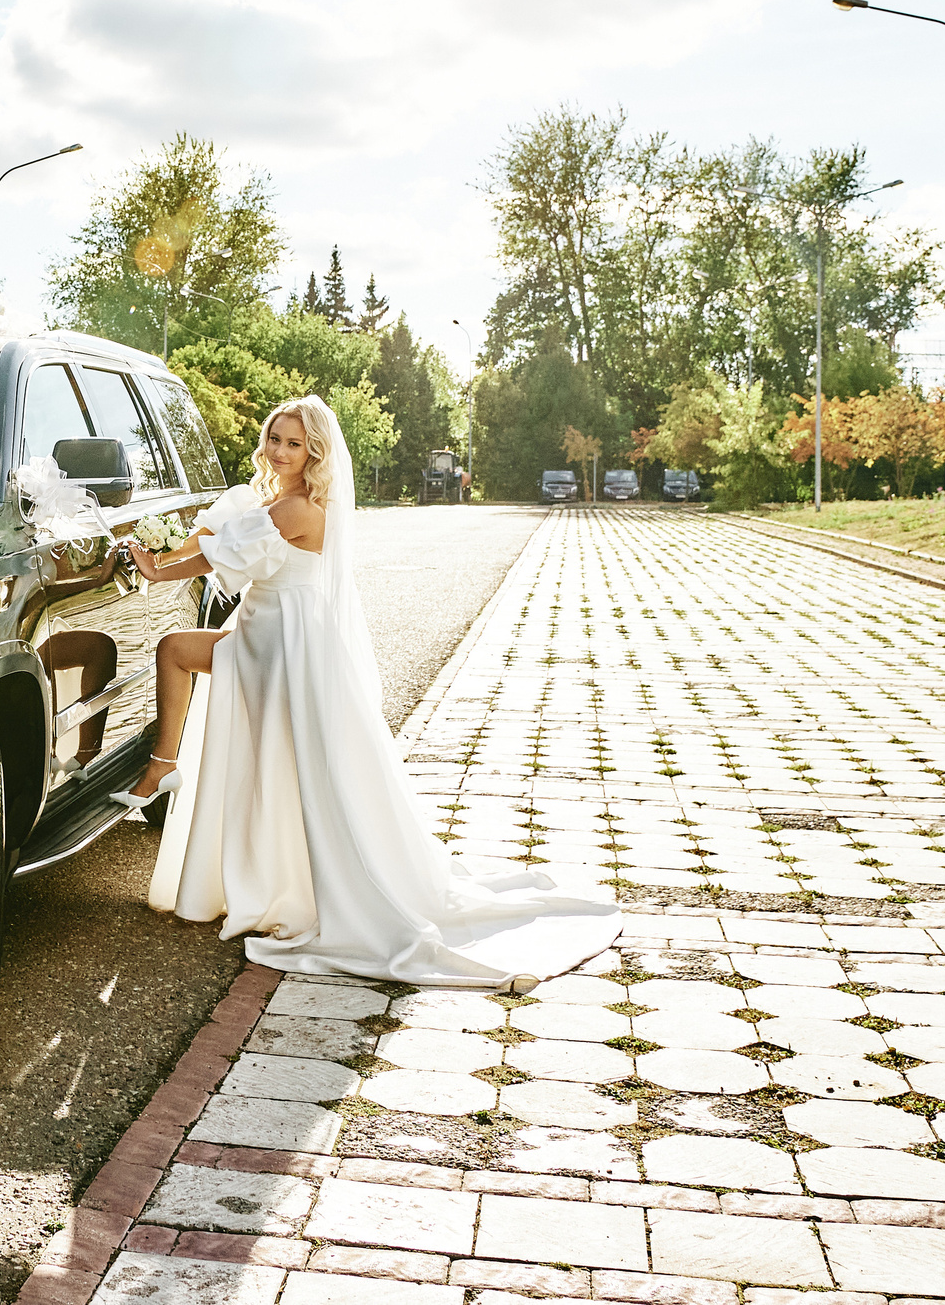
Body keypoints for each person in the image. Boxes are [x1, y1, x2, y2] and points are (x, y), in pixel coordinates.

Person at [114, 396, 618, 989]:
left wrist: (154, 566)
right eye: (274, 438)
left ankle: (289, 864)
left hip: (288, 643)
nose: (279, 450)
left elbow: (215, 556)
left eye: (293, 444)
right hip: (260, 627)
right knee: (177, 652)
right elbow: (219, 547)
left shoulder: (300, 507)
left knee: (297, 769)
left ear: (315, 454)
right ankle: (166, 767)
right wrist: (166, 546)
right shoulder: (274, 499)